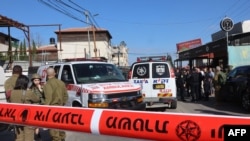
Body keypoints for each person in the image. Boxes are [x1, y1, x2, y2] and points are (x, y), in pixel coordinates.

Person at [9, 75, 40, 141]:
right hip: (27, 117)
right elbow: (37, 99)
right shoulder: (28, 92)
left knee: (19, 137)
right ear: (25, 83)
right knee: (29, 137)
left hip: (16, 118)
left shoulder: (12, 92)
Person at [43, 67, 68, 141]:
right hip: (61, 107)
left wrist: (45, 109)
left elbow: (48, 98)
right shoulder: (61, 82)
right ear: (55, 73)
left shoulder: (47, 84)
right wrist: (62, 103)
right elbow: (66, 96)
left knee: (54, 128)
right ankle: (62, 138)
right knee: (61, 125)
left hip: (52, 108)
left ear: (47, 74)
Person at [29, 73, 47, 141]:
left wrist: (41, 89)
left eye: (38, 80)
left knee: (38, 123)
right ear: (33, 81)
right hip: (33, 106)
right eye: (35, 80)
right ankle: (37, 135)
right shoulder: (31, 88)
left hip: (40, 106)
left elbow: (45, 96)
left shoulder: (42, 87)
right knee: (35, 123)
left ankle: (37, 134)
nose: (37, 82)